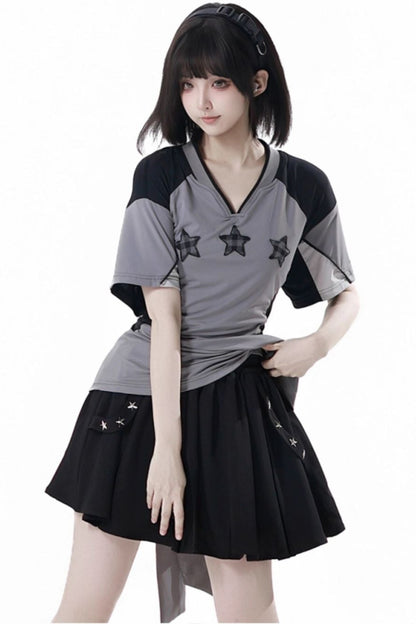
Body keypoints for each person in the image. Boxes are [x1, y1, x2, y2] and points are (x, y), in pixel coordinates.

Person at [44, 3, 360, 623]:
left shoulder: (303, 186)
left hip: (238, 399)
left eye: (218, 81)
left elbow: (346, 293)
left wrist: (316, 345)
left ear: (257, 83)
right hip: (139, 397)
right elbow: (164, 321)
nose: (202, 101)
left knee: (250, 613)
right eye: (188, 84)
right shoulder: (161, 176)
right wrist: (167, 452)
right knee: (85, 608)